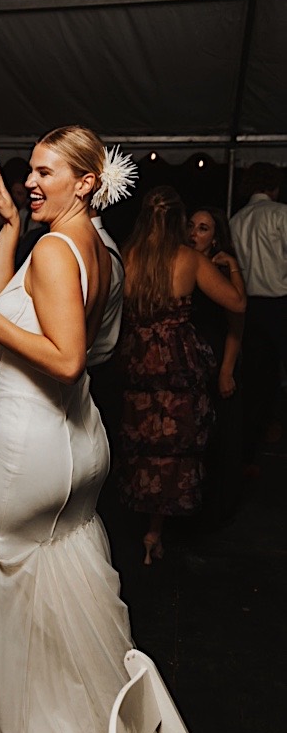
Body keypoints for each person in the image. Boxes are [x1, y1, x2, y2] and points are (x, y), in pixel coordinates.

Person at [0, 127, 166, 733]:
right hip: (79, 442)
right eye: (31, 169)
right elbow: (23, 307)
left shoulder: (57, 249)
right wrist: (4, 229)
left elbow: (66, 355)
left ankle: (25, 715)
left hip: (33, 442)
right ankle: (86, 705)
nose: (31, 181)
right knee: (55, 566)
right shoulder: (97, 245)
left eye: (47, 172)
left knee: (1, 555)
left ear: (85, 181)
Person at [117, 188, 246, 562]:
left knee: (140, 444)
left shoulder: (126, 256)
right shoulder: (188, 259)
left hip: (136, 360)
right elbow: (237, 303)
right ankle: (155, 531)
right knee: (173, 447)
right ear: (178, 222)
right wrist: (233, 265)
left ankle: (137, 525)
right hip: (174, 363)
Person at [187, 207, 246, 528]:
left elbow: (237, 324)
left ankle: (217, 515)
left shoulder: (223, 273)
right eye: (191, 226)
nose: (194, 233)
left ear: (216, 238)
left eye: (203, 228)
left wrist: (226, 370)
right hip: (191, 367)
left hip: (217, 362)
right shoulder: (185, 266)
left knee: (219, 441)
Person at [229, 162, 287, 471]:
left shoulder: (236, 220)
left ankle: (250, 451)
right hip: (280, 304)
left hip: (249, 308)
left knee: (257, 378)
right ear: (274, 186)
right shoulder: (281, 214)